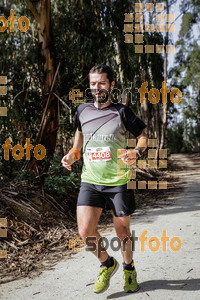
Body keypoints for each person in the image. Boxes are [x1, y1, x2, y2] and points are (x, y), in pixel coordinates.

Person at [61, 64, 148, 294]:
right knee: (85, 231)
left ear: (111, 85)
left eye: (101, 83)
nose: (97, 88)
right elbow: (77, 147)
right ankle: (107, 263)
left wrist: (136, 152)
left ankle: (129, 269)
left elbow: (143, 137)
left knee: (122, 233)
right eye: (93, 83)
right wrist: (71, 156)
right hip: (90, 180)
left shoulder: (121, 112)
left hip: (119, 181)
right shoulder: (81, 112)